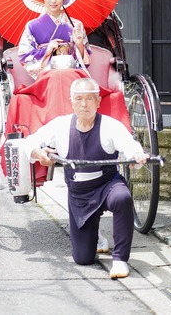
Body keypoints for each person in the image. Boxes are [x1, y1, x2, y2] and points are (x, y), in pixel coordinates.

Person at [23, 77, 148, 279]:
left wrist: (136, 156)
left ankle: (120, 259)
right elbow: (29, 142)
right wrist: (38, 153)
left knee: (122, 198)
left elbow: (130, 147)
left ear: (98, 101)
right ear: (72, 101)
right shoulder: (60, 126)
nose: (84, 104)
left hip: (108, 185)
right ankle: (95, 236)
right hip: (80, 194)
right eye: (79, 99)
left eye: (89, 99)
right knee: (83, 258)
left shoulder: (110, 125)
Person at [18, 0, 91, 79]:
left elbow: (85, 61)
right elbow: (24, 57)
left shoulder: (76, 25)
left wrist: (79, 44)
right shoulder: (32, 25)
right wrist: (47, 51)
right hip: (46, 77)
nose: (53, 0)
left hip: (72, 74)